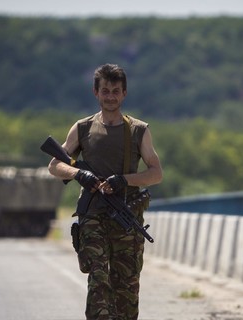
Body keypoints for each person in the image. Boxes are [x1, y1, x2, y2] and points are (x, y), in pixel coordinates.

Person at [47, 63, 163, 320]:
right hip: (93, 216)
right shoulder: (83, 128)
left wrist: (124, 180)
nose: (110, 96)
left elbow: (156, 173)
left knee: (127, 287)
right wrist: (80, 174)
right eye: (105, 91)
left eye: (116, 91)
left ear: (124, 94)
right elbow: (55, 165)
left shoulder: (138, 130)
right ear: (96, 93)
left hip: (125, 217)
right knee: (99, 279)